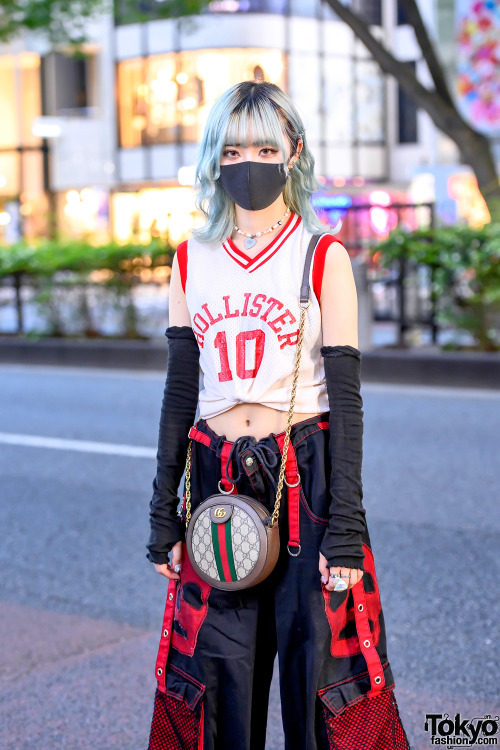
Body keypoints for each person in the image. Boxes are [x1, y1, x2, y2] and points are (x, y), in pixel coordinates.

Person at [145, 80, 410, 750]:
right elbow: (181, 391)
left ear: (293, 150)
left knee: (320, 675)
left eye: (265, 145)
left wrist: (345, 527)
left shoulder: (323, 256)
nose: (249, 163)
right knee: (213, 681)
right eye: (233, 149)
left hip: (307, 474)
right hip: (215, 476)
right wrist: (161, 513)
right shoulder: (189, 258)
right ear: (214, 157)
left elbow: (345, 398)